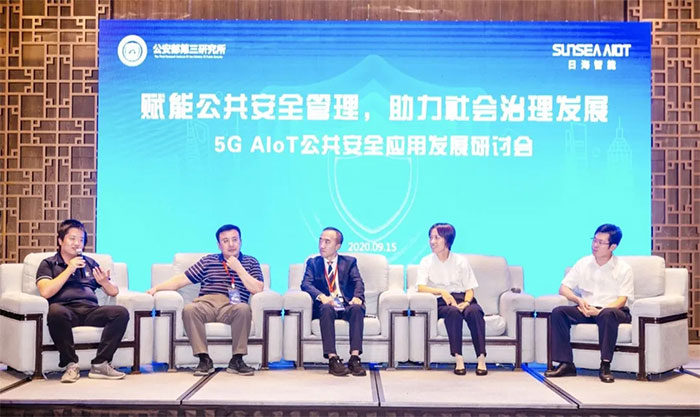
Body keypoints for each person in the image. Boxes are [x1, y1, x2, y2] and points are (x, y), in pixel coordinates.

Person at [147, 224, 263, 376]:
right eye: (226, 241)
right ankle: (204, 359)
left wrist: (239, 268)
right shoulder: (208, 261)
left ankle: (237, 360)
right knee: (189, 309)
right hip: (206, 303)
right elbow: (181, 280)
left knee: (244, 309)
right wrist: (156, 288)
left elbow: (258, 289)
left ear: (240, 241)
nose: (231, 244)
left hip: (232, 306)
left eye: (235, 240)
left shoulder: (251, 262)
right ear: (219, 245)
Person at [36, 219, 129, 383]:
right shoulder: (48, 264)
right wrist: (69, 269)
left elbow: (114, 291)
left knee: (120, 313)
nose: (77, 243)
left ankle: (101, 364)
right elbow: (45, 291)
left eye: (81, 239)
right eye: (72, 239)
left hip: (90, 310)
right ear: (60, 241)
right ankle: (71, 365)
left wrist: (104, 282)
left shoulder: (90, 263)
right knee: (55, 311)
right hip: (65, 311)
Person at [544, 223, 634, 383]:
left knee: (607, 314)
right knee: (559, 312)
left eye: (601, 242)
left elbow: (622, 299)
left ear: (613, 246)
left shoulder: (623, 268)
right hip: (587, 308)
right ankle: (566, 363)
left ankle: (605, 364)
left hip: (614, 311)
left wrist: (600, 311)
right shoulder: (583, 263)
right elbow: (563, 288)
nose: (595, 245)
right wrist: (579, 300)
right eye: (594, 240)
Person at [416, 223, 488, 376]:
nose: (432, 241)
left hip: (462, 297)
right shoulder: (426, 261)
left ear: (447, 240)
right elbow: (421, 287)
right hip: (441, 301)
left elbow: (470, 288)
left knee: (475, 312)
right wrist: (442, 292)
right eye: (431, 238)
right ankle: (458, 358)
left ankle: (481, 358)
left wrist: (466, 302)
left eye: (437, 238)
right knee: (453, 313)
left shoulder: (461, 261)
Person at [301, 227, 366, 376]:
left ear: (337, 246)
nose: (322, 245)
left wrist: (358, 297)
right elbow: (306, 284)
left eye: (327, 242)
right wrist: (321, 296)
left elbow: (358, 282)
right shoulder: (313, 263)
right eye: (320, 241)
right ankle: (333, 359)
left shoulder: (349, 262)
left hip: (345, 304)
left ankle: (354, 359)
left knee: (357, 309)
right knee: (326, 308)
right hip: (326, 306)